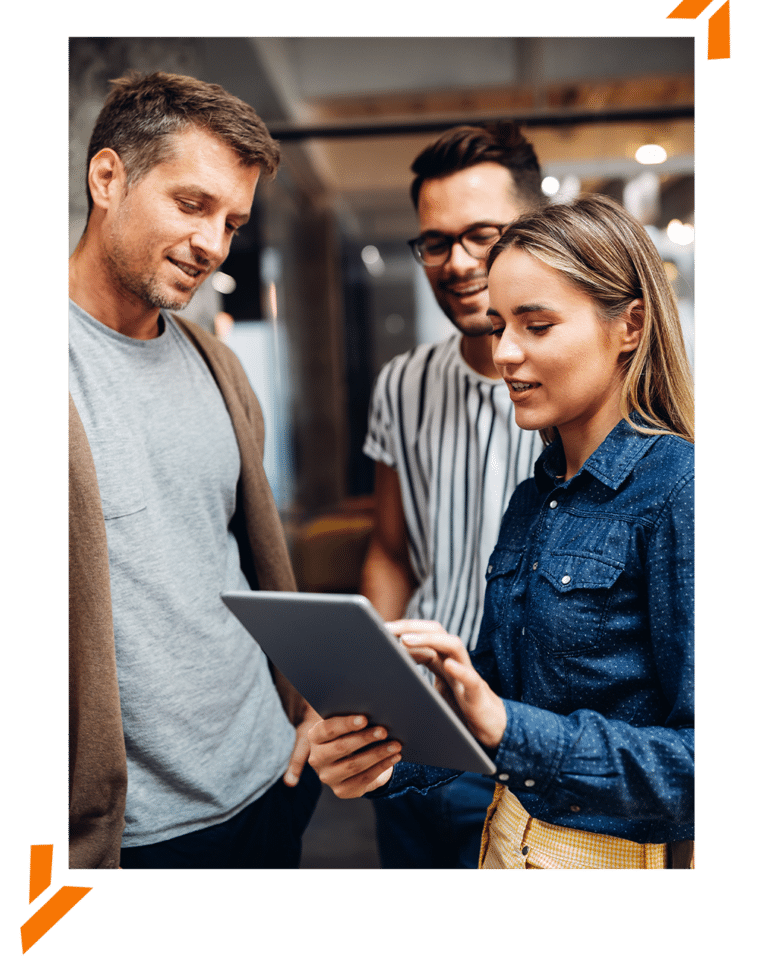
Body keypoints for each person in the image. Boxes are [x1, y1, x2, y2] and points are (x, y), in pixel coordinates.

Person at [310, 194, 696, 870]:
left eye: (536, 325)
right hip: (502, 845)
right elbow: (485, 713)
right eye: (498, 326)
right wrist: (381, 762)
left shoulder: (681, 490)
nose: (506, 353)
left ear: (629, 325)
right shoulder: (531, 499)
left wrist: (509, 727)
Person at [68, 71, 321, 870]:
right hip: (131, 835)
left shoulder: (218, 366)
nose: (213, 245)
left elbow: (250, 566)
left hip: (269, 778)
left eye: (233, 222)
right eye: (192, 204)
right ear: (108, 178)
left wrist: (301, 706)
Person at [360, 123, 546, 869]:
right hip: (413, 739)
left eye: (483, 235)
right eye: (435, 241)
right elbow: (389, 549)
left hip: (528, 743)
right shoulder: (400, 383)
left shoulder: (583, 387)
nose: (458, 262)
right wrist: (365, 678)